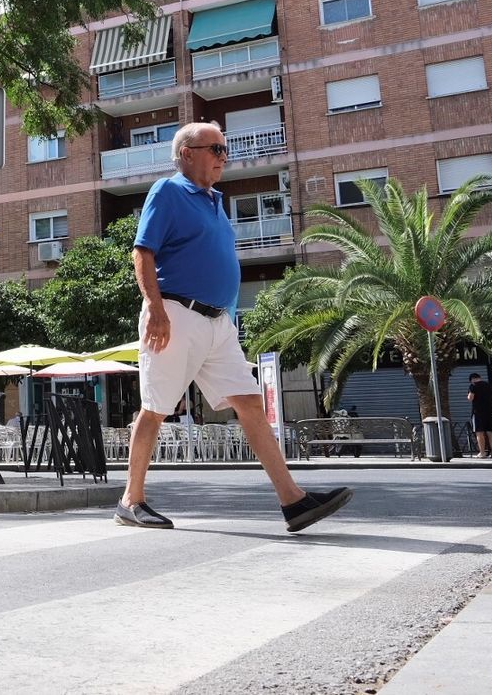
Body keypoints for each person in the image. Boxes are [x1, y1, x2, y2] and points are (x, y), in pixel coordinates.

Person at [119, 121, 354, 532]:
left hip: (218, 322)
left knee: (249, 402)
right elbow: (143, 252)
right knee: (156, 409)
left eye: (225, 149)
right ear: (187, 153)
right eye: (216, 149)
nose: (224, 157)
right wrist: (154, 307)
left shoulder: (215, 201)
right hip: (175, 315)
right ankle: (131, 501)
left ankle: (293, 501)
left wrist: (227, 317)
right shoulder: (169, 191)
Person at [467, 373, 492, 459]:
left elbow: (471, 398)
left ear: (472, 379)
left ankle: (482, 453)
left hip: (478, 412)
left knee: (479, 433)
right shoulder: (488, 385)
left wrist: (469, 396)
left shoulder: (473, 386)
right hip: (490, 412)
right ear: (480, 378)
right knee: (491, 432)